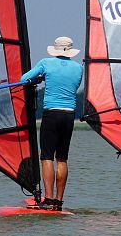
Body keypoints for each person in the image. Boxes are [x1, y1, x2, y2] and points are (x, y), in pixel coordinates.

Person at [21, 36, 83, 211]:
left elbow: (24, 79)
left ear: (55, 50)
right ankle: (58, 202)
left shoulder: (46, 63)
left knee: (47, 157)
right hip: (69, 115)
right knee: (62, 158)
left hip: (51, 114)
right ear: (70, 51)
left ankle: (48, 200)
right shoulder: (79, 68)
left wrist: (38, 79)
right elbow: (73, 85)